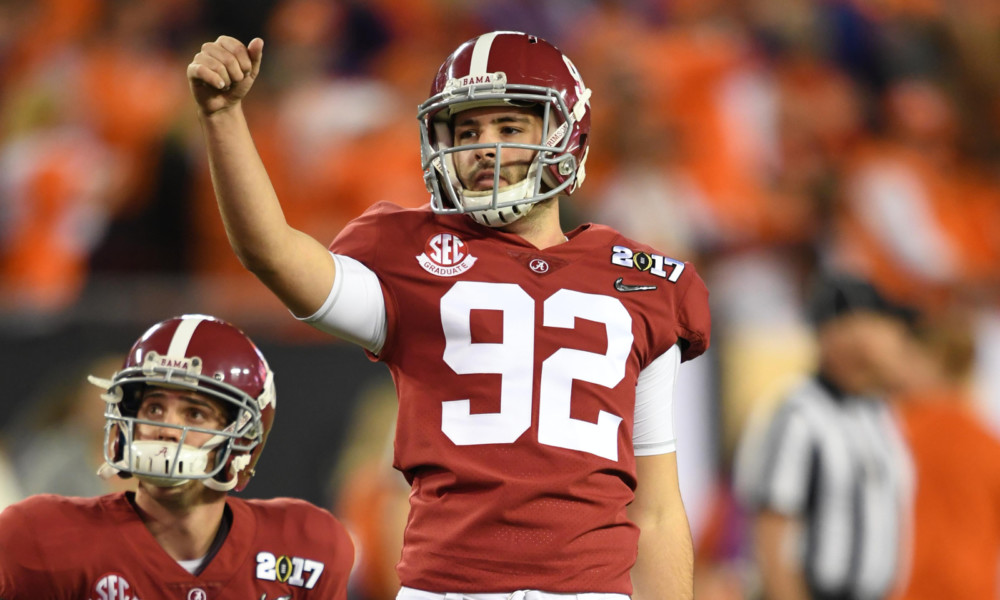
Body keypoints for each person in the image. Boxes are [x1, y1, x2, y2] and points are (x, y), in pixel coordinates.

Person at [187, 31, 711, 599]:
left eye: (509, 127)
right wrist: (224, 117)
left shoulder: (644, 285)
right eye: (467, 131)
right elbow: (272, 251)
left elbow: (655, 510)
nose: (484, 147)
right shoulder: (408, 254)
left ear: (565, 132)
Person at [0, 314, 354, 599]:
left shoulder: (306, 545)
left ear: (244, 438)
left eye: (194, 413)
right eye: (153, 408)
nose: (166, 428)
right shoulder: (40, 537)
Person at [732, 274, 914, 600]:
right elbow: (772, 536)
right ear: (841, 333)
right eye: (879, 324)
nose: (894, 338)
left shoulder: (880, 414)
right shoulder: (798, 414)